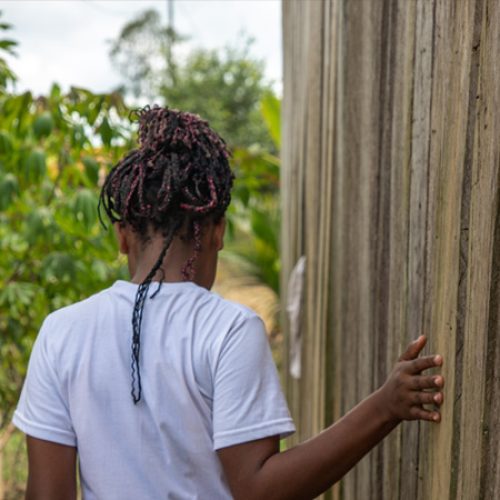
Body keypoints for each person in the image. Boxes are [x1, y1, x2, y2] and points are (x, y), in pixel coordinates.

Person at [13, 106, 444, 500]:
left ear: (123, 235)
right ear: (217, 231)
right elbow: (258, 489)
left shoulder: (61, 331)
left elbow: (47, 494)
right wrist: (383, 408)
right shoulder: (229, 329)